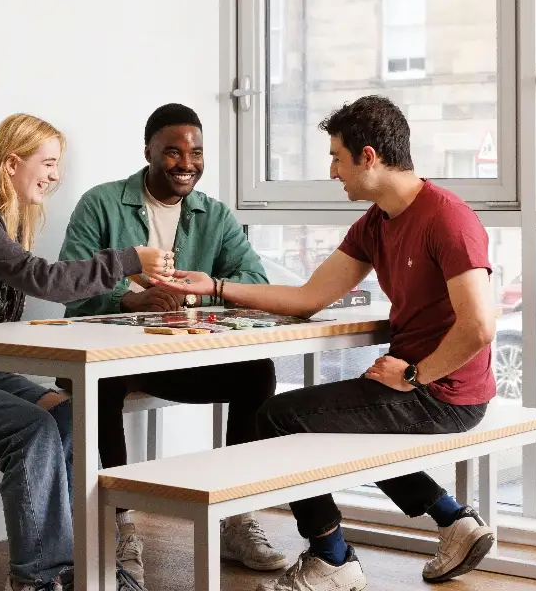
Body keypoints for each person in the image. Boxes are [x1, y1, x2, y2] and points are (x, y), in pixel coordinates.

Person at [154, 96, 498, 591]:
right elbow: (308, 296)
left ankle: (331, 557)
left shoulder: (447, 218)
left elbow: (479, 327)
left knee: (276, 418)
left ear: (369, 156)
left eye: (337, 157)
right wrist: (216, 287)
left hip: (444, 393)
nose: (333, 171)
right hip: (416, 383)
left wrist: (414, 374)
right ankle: (452, 519)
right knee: (333, 417)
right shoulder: (376, 222)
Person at [0, 113, 173, 591]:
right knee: (33, 430)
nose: (55, 175)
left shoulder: (1, 220)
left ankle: (88, 565)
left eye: (57, 165)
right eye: (47, 162)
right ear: (11, 163)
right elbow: (43, 279)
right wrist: (128, 259)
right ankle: (37, 579)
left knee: (66, 416)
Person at [58, 103, 290, 585]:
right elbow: (71, 285)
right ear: (148, 152)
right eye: (173, 151)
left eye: (196, 151)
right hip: (105, 356)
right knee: (104, 378)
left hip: (174, 357)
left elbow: (253, 277)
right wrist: (130, 299)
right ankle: (121, 525)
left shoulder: (215, 214)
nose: (187, 162)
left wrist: (202, 292)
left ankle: (235, 512)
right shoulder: (100, 204)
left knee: (257, 372)